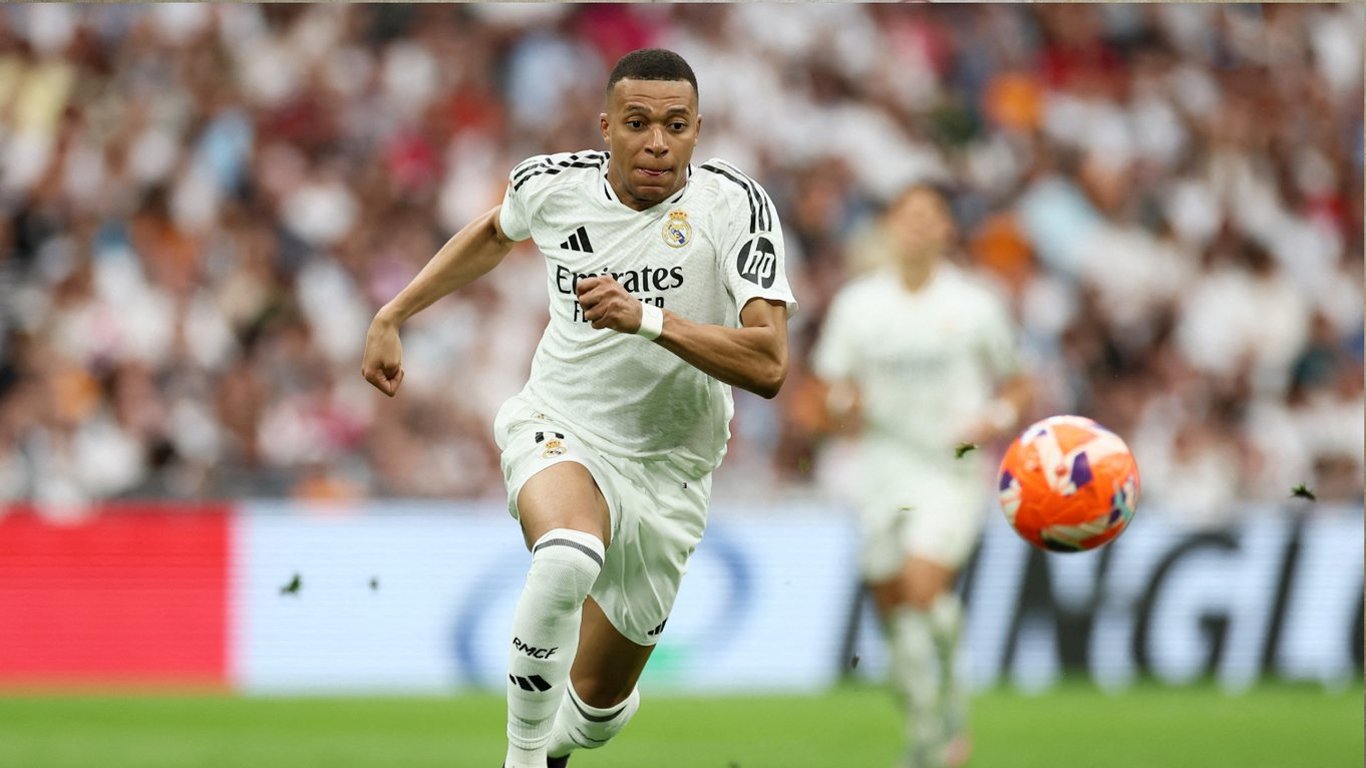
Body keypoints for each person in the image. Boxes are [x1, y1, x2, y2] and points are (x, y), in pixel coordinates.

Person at [361, 49, 796, 768]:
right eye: (637, 123)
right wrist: (394, 312)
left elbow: (770, 363)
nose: (656, 142)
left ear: (697, 131)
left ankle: (560, 744)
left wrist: (645, 318)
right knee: (567, 553)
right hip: (563, 422)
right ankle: (522, 758)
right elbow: (494, 233)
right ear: (606, 127)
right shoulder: (552, 186)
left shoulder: (734, 206)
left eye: (676, 126)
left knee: (596, 715)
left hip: (672, 469)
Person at [811, 184, 1032, 768]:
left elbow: (1018, 381)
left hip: (949, 469)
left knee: (920, 584)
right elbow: (830, 388)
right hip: (882, 469)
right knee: (895, 610)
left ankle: (946, 716)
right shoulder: (858, 305)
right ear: (889, 225)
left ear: (947, 229)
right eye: (906, 215)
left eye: (929, 216)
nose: (917, 226)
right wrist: (842, 405)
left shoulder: (975, 303)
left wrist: (993, 418)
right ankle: (927, 723)